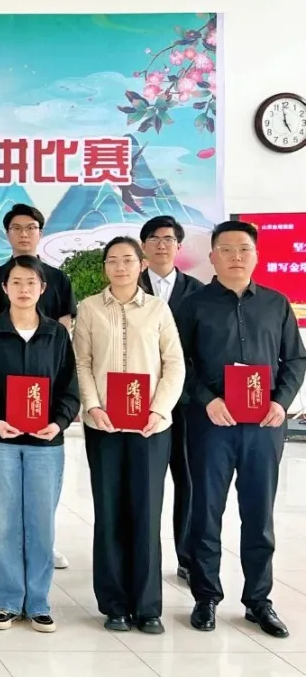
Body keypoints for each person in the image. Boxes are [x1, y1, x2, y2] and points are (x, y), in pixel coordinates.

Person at [175, 220, 306, 638]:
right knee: (205, 512)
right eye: (227, 249)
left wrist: (280, 402)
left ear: (256, 256)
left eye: (244, 249)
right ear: (212, 257)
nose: (236, 257)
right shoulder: (193, 305)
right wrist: (207, 400)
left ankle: (258, 600)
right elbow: (179, 361)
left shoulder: (276, 303)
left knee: (259, 514)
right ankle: (205, 597)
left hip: (263, 427)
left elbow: (295, 360)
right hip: (211, 424)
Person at [74, 237, 185, 635]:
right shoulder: (89, 308)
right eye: (112, 261)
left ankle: (148, 606)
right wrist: (93, 406)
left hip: (149, 429)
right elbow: (82, 363)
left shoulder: (158, 309)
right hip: (104, 426)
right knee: (109, 513)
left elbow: (174, 364)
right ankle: (115, 605)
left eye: (127, 260)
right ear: (104, 267)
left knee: (146, 513)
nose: (120, 267)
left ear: (142, 265)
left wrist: (159, 410)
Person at [0, 255, 80, 633]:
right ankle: (7, 601)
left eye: (31, 282)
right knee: (5, 522)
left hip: (46, 443)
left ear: (42, 288)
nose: (23, 289)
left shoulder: (56, 334)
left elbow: (70, 387)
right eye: (16, 282)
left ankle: (40, 602)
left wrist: (58, 422)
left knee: (40, 523)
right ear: (5, 288)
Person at [0, 204, 76, 570]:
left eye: (30, 227)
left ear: (40, 232)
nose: (23, 234)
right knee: (0, 486)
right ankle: (0, 542)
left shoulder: (58, 279)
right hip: (2, 403)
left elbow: (64, 333)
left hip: (44, 401)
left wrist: (57, 414)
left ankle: (42, 544)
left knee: (42, 488)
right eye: (16, 228)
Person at [138, 216, 204, 584]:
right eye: (154, 238)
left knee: (188, 479)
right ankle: (140, 559)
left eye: (168, 238)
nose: (161, 244)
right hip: (138, 402)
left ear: (178, 246)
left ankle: (187, 557)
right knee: (144, 482)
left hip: (187, 402)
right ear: (143, 246)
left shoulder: (198, 291)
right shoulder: (129, 286)